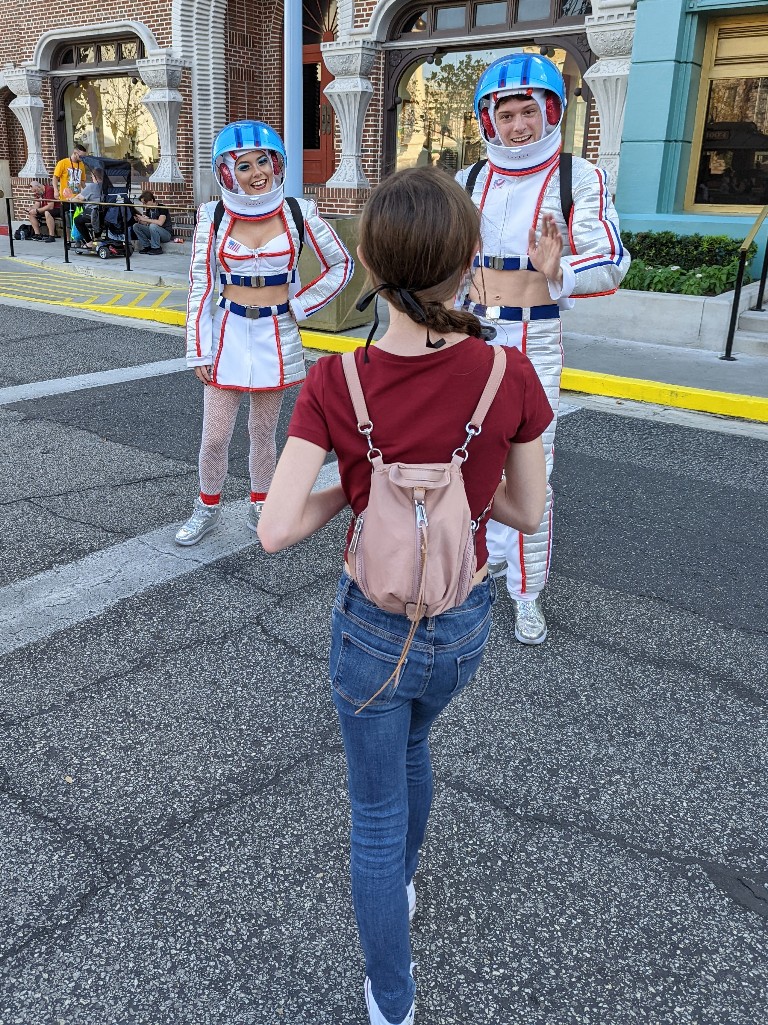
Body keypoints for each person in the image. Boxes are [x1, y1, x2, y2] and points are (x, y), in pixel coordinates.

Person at [257, 167, 552, 1025]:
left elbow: (275, 529)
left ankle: (393, 1000)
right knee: (419, 743)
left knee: (373, 819)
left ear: (367, 264)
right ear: (466, 263)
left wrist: (364, 486)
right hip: (461, 625)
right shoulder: (510, 374)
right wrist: (457, 480)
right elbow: (526, 510)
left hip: (371, 631)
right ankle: (409, 882)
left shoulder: (334, 383)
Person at [456, 53, 630, 645]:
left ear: (551, 110)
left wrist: (562, 269)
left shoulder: (577, 178)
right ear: (488, 120)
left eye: (529, 110)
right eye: (506, 114)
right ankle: (482, 561)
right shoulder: (470, 180)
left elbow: (612, 263)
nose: (518, 125)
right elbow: (451, 263)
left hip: (537, 339)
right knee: (469, 456)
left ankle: (527, 592)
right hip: (474, 337)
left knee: (533, 468)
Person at [176, 120, 354, 546]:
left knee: (264, 431)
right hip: (227, 331)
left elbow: (342, 265)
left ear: (278, 164)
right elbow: (201, 283)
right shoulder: (212, 215)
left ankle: (263, 502)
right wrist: (198, 349)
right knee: (215, 432)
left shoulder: (299, 211)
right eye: (243, 166)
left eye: (264, 162)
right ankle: (207, 505)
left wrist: (300, 304)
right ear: (226, 172)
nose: (257, 173)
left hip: (277, 332)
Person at [53, 143, 88, 238]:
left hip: (77, 197)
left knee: (77, 218)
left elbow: (83, 181)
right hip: (66, 197)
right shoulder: (63, 163)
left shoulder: (81, 165)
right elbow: (55, 178)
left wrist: (86, 192)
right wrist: (56, 190)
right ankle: (68, 240)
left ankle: (77, 238)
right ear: (75, 153)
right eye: (81, 156)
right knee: (67, 220)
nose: (82, 158)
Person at [69, 168, 104, 249]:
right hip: (106, 214)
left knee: (77, 220)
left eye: (92, 176)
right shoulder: (107, 186)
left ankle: (89, 242)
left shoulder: (92, 186)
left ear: (94, 176)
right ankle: (97, 237)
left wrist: (71, 199)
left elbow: (79, 198)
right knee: (99, 218)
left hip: (93, 213)